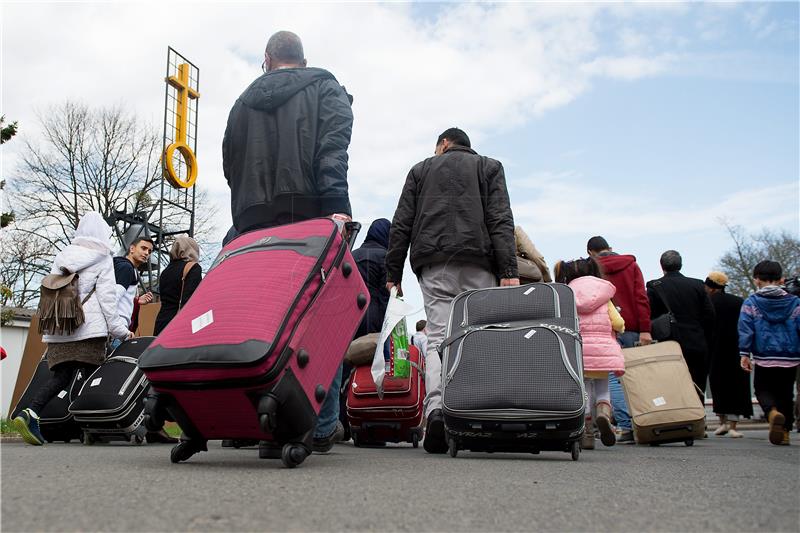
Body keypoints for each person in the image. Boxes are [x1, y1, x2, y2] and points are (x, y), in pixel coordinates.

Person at [222, 30, 354, 456]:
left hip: (252, 222)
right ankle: (320, 423)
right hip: (311, 212)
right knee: (319, 314)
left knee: (261, 321)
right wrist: (337, 205)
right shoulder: (324, 87)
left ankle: (265, 420)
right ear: (301, 57)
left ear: (267, 59)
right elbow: (333, 149)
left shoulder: (241, 103)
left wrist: (246, 211)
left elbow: (230, 163)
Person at [385, 127, 519, 454]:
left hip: (433, 263)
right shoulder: (489, 167)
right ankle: (477, 416)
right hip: (479, 262)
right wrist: (508, 270)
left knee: (437, 337)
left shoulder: (420, 170)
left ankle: (436, 410)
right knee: (480, 336)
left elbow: (402, 221)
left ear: (444, 143)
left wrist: (393, 272)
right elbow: (500, 218)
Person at [12, 212, 132, 445]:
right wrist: (120, 330)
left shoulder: (62, 256)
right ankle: (92, 426)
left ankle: (31, 412)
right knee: (92, 377)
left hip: (61, 328)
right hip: (89, 329)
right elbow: (107, 299)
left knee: (61, 377)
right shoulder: (104, 257)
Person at [587, 235, 652, 443]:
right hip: (632, 326)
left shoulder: (592, 269)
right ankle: (643, 420)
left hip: (605, 326)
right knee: (634, 376)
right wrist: (645, 329)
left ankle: (622, 424)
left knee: (609, 376)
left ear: (590, 253)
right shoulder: (631, 265)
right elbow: (641, 296)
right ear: (610, 247)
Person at [554, 258, 624, 449]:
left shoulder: (567, 295)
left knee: (584, 390)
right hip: (603, 351)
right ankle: (603, 413)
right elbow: (618, 322)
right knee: (603, 387)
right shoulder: (604, 296)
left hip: (579, 351)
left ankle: (586, 433)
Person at [338, 218, 391, 440]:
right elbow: (388, 292)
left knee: (346, 367)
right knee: (373, 367)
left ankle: (341, 421)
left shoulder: (354, 254)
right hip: (376, 317)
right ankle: (369, 421)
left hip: (350, 316)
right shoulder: (387, 257)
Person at [739, 260, 800, 446]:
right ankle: (786, 433)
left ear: (757, 280)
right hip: (790, 356)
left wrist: (744, 353)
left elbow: (745, 329)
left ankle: (772, 413)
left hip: (764, 356)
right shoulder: (795, 302)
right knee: (786, 394)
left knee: (762, 389)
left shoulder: (751, 302)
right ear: (781, 279)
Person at [647, 250, 715, 399]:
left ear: (662, 266)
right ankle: (698, 417)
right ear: (681, 265)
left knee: (672, 385)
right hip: (696, 341)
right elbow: (710, 316)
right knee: (697, 384)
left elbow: (650, 316)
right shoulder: (698, 285)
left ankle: (679, 417)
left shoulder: (654, 286)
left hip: (667, 343)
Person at [704, 271, 752, 438]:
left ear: (710, 288)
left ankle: (722, 422)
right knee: (736, 386)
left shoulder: (707, 303)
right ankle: (733, 425)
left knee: (718, 385)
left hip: (714, 349)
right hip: (736, 348)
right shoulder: (738, 302)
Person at [111, 236, 155, 350]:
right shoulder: (126, 268)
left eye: (149, 251)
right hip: (116, 331)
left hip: (115, 330)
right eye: (143, 248)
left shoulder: (124, 267)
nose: (146, 253)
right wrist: (121, 330)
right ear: (132, 249)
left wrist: (136, 301)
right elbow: (112, 299)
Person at [153, 236, 202, 336]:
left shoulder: (165, 272)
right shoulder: (193, 268)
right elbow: (190, 301)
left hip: (161, 323)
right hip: (178, 325)